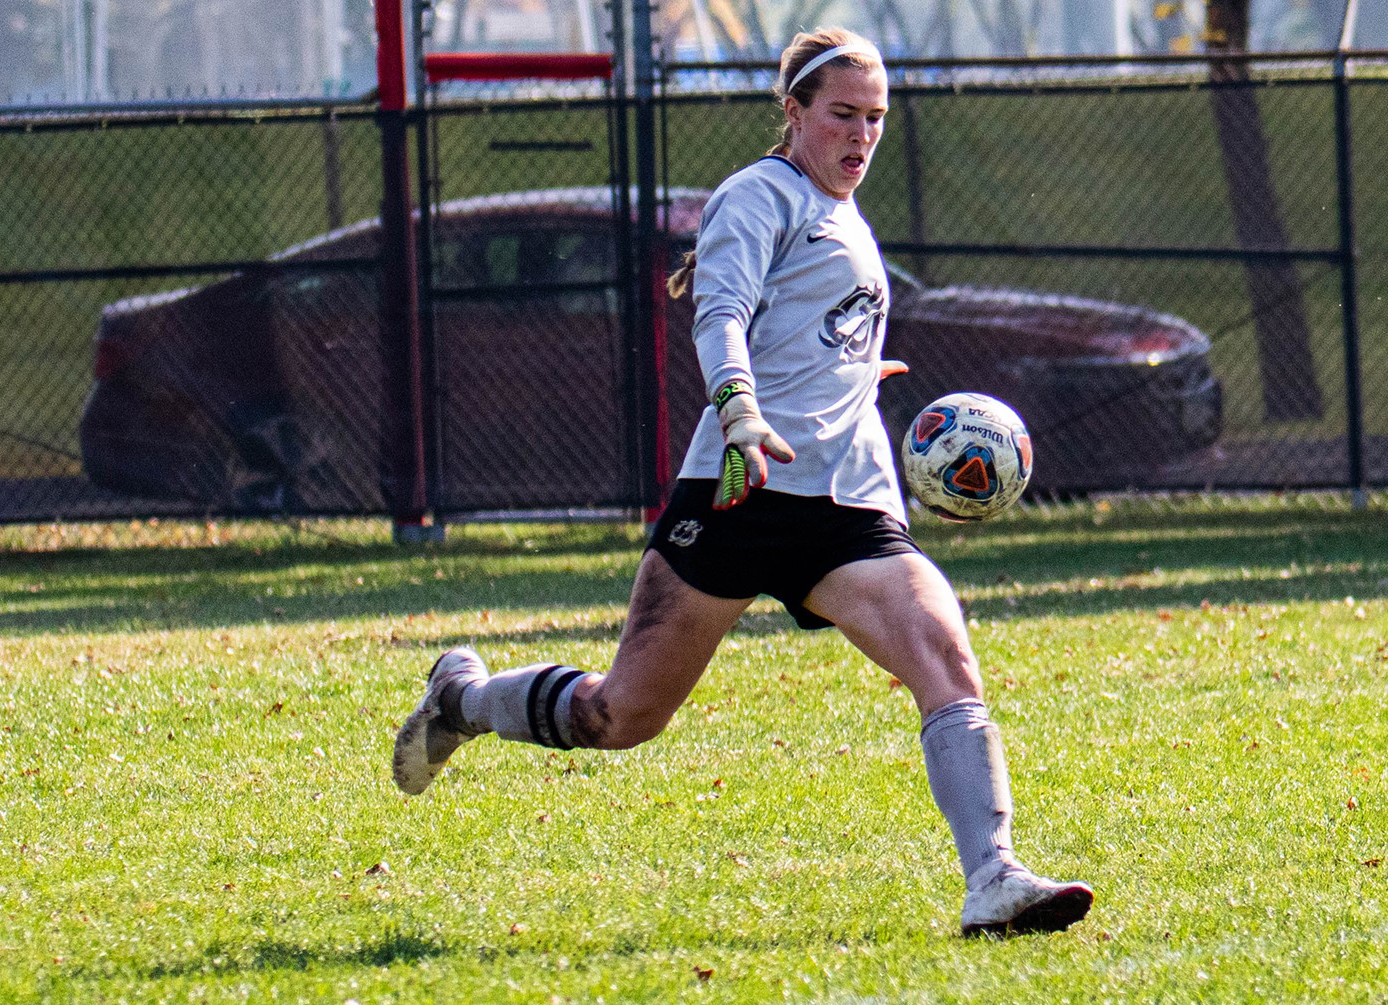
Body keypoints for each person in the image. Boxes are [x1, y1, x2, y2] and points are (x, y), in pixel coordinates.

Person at [391, 27, 1093, 938]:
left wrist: (846, 375)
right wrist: (741, 412)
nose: (862, 135)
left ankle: (993, 879)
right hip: (738, 488)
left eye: (875, 118)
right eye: (843, 113)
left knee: (946, 660)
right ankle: (463, 700)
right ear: (793, 111)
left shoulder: (845, 214)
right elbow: (719, 315)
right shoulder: (758, 195)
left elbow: (806, 327)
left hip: (846, 509)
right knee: (621, 714)